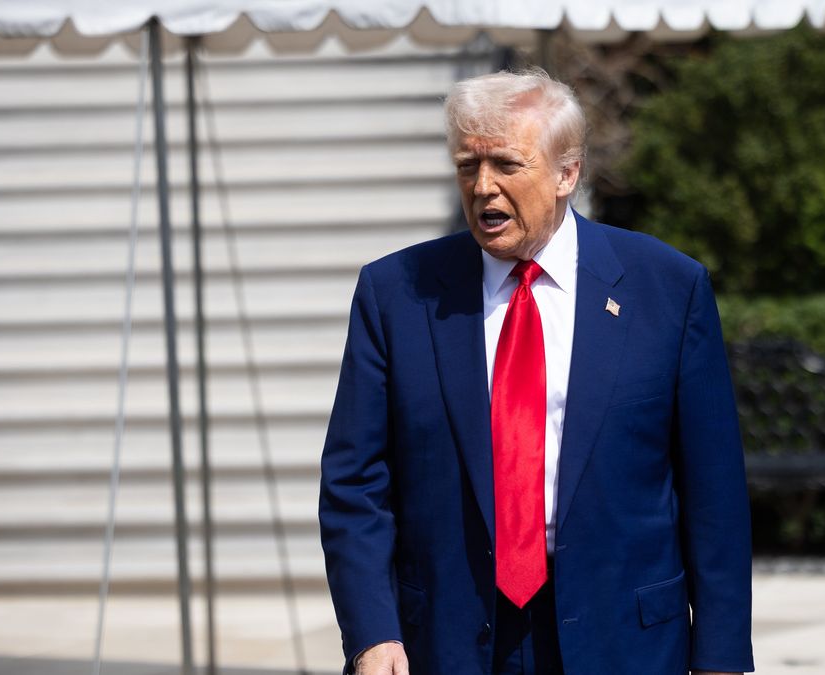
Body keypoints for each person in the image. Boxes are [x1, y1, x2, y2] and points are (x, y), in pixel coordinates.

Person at [318, 68, 753, 675]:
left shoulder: (667, 288)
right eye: (468, 166)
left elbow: (715, 496)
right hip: (446, 642)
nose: (483, 187)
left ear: (566, 175)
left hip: (622, 641)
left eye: (506, 164)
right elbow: (354, 484)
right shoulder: (395, 294)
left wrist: (723, 658)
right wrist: (372, 633)